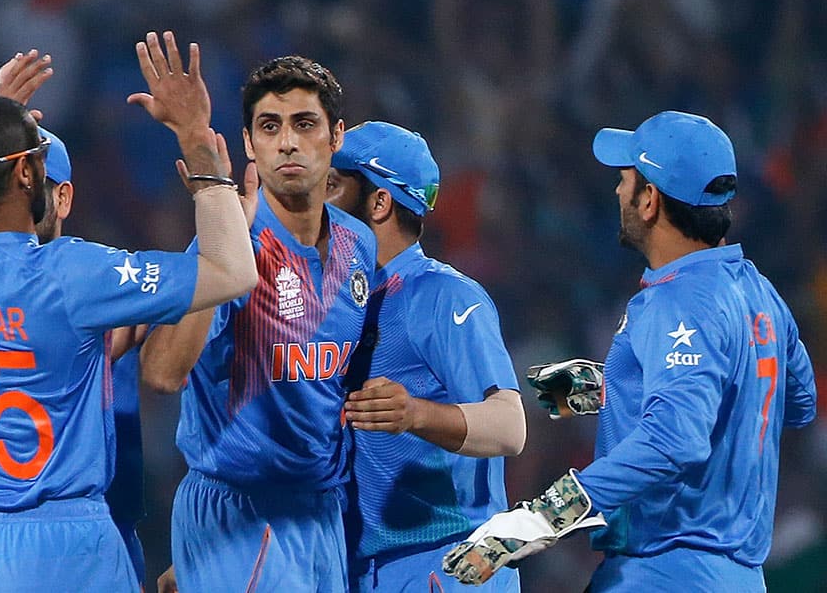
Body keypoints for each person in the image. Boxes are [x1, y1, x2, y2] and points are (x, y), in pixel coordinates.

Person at [0, 31, 258, 591]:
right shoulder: (73, 274)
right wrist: (198, 142)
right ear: (28, 176)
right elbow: (232, 273)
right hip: (63, 545)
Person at [442, 111, 818, 591]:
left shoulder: (677, 299)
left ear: (650, 199)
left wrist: (542, 519)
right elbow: (793, 400)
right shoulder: (759, 292)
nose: (618, 192)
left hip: (662, 570)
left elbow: (674, 439)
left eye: (625, 180)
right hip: (738, 576)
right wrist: (621, 385)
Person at [136, 35, 377, 592]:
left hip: (321, 515)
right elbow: (161, 372)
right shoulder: (230, 246)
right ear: (248, 143)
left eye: (304, 124)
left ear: (336, 136)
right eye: (270, 127)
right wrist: (224, 252)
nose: (287, 142)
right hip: (239, 512)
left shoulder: (358, 246)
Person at [325, 121, 526, 592]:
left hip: (448, 563)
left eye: (333, 186)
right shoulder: (335, 303)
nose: (317, 203)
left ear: (379, 202)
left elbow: (509, 426)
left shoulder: (443, 295)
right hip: (360, 571)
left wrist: (415, 412)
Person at [0, 50, 152, 588]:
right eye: (10, 178)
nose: (20, 191)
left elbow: (168, 360)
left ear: (62, 195)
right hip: (3, 525)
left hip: (108, 525)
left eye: (31, 179)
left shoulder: (108, 278)